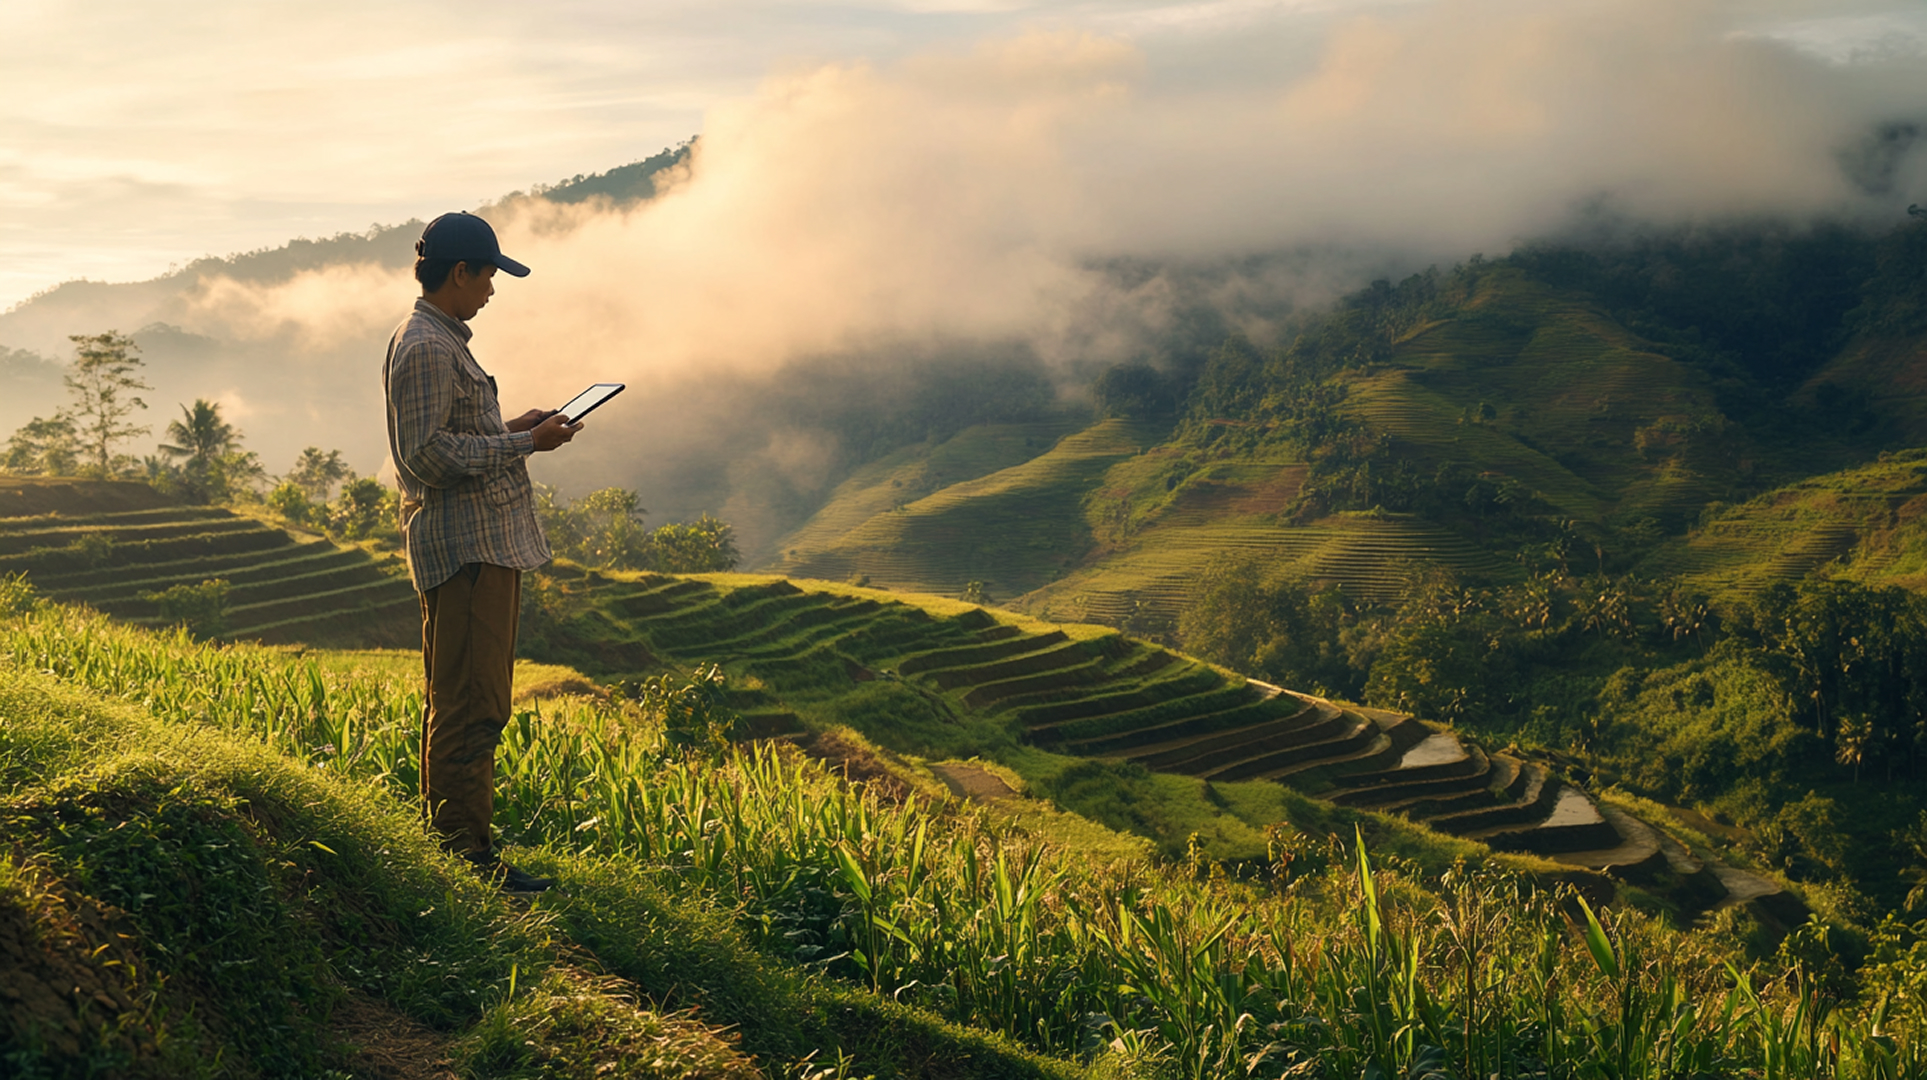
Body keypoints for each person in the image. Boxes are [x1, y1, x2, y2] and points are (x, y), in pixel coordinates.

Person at [383, 211, 582, 893]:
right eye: (489, 275)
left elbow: (453, 434)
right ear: (459, 273)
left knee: (469, 699)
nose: (493, 290)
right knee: (472, 704)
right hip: (466, 550)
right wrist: (526, 443)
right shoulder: (427, 346)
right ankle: (463, 856)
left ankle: (458, 844)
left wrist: (510, 426)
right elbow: (427, 455)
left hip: (483, 547)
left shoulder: (439, 340)